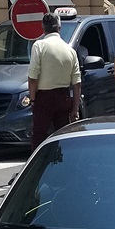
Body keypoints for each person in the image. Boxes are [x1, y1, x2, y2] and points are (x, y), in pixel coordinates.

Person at [27, 11, 82, 149]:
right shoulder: (70, 50)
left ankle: (39, 168)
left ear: (43, 28)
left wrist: (33, 100)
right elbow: (77, 83)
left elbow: (33, 77)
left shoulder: (39, 46)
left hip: (44, 98)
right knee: (62, 136)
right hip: (63, 97)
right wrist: (75, 108)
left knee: (39, 136)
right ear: (59, 27)